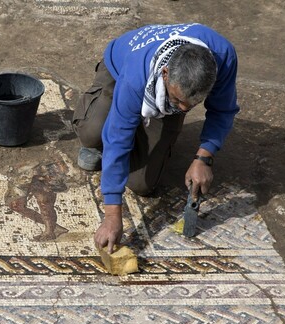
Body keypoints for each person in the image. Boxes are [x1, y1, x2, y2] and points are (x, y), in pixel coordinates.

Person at [71, 23, 239, 253]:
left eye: (190, 105)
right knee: (93, 133)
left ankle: (142, 125)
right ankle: (113, 109)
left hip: (160, 85)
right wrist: (112, 216)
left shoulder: (224, 57)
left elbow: (222, 110)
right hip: (120, 66)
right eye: (177, 100)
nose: (182, 109)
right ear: (165, 74)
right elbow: (118, 138)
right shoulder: (134, 76)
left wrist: (204, 156)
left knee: (142, 184)